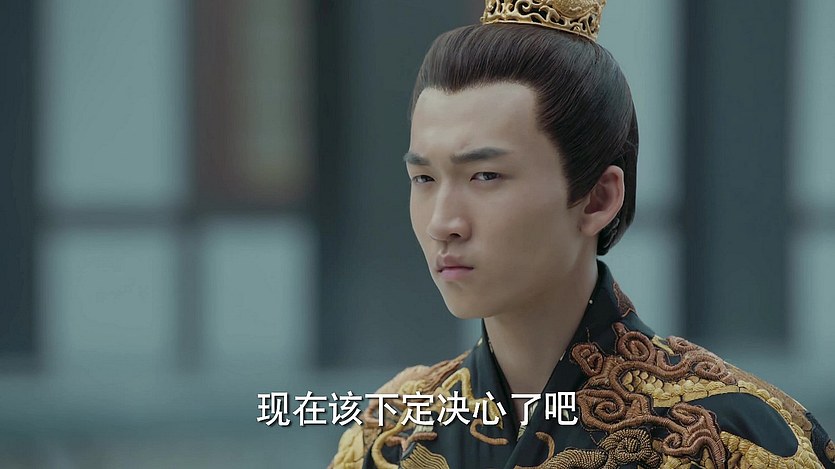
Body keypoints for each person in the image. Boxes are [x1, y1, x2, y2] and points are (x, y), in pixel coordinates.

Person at [329, 1, 835, 467]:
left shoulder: (737, 438)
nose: (443, 223)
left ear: (597, 198)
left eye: (485, 176)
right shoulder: (391, 432)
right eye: (424, 179)